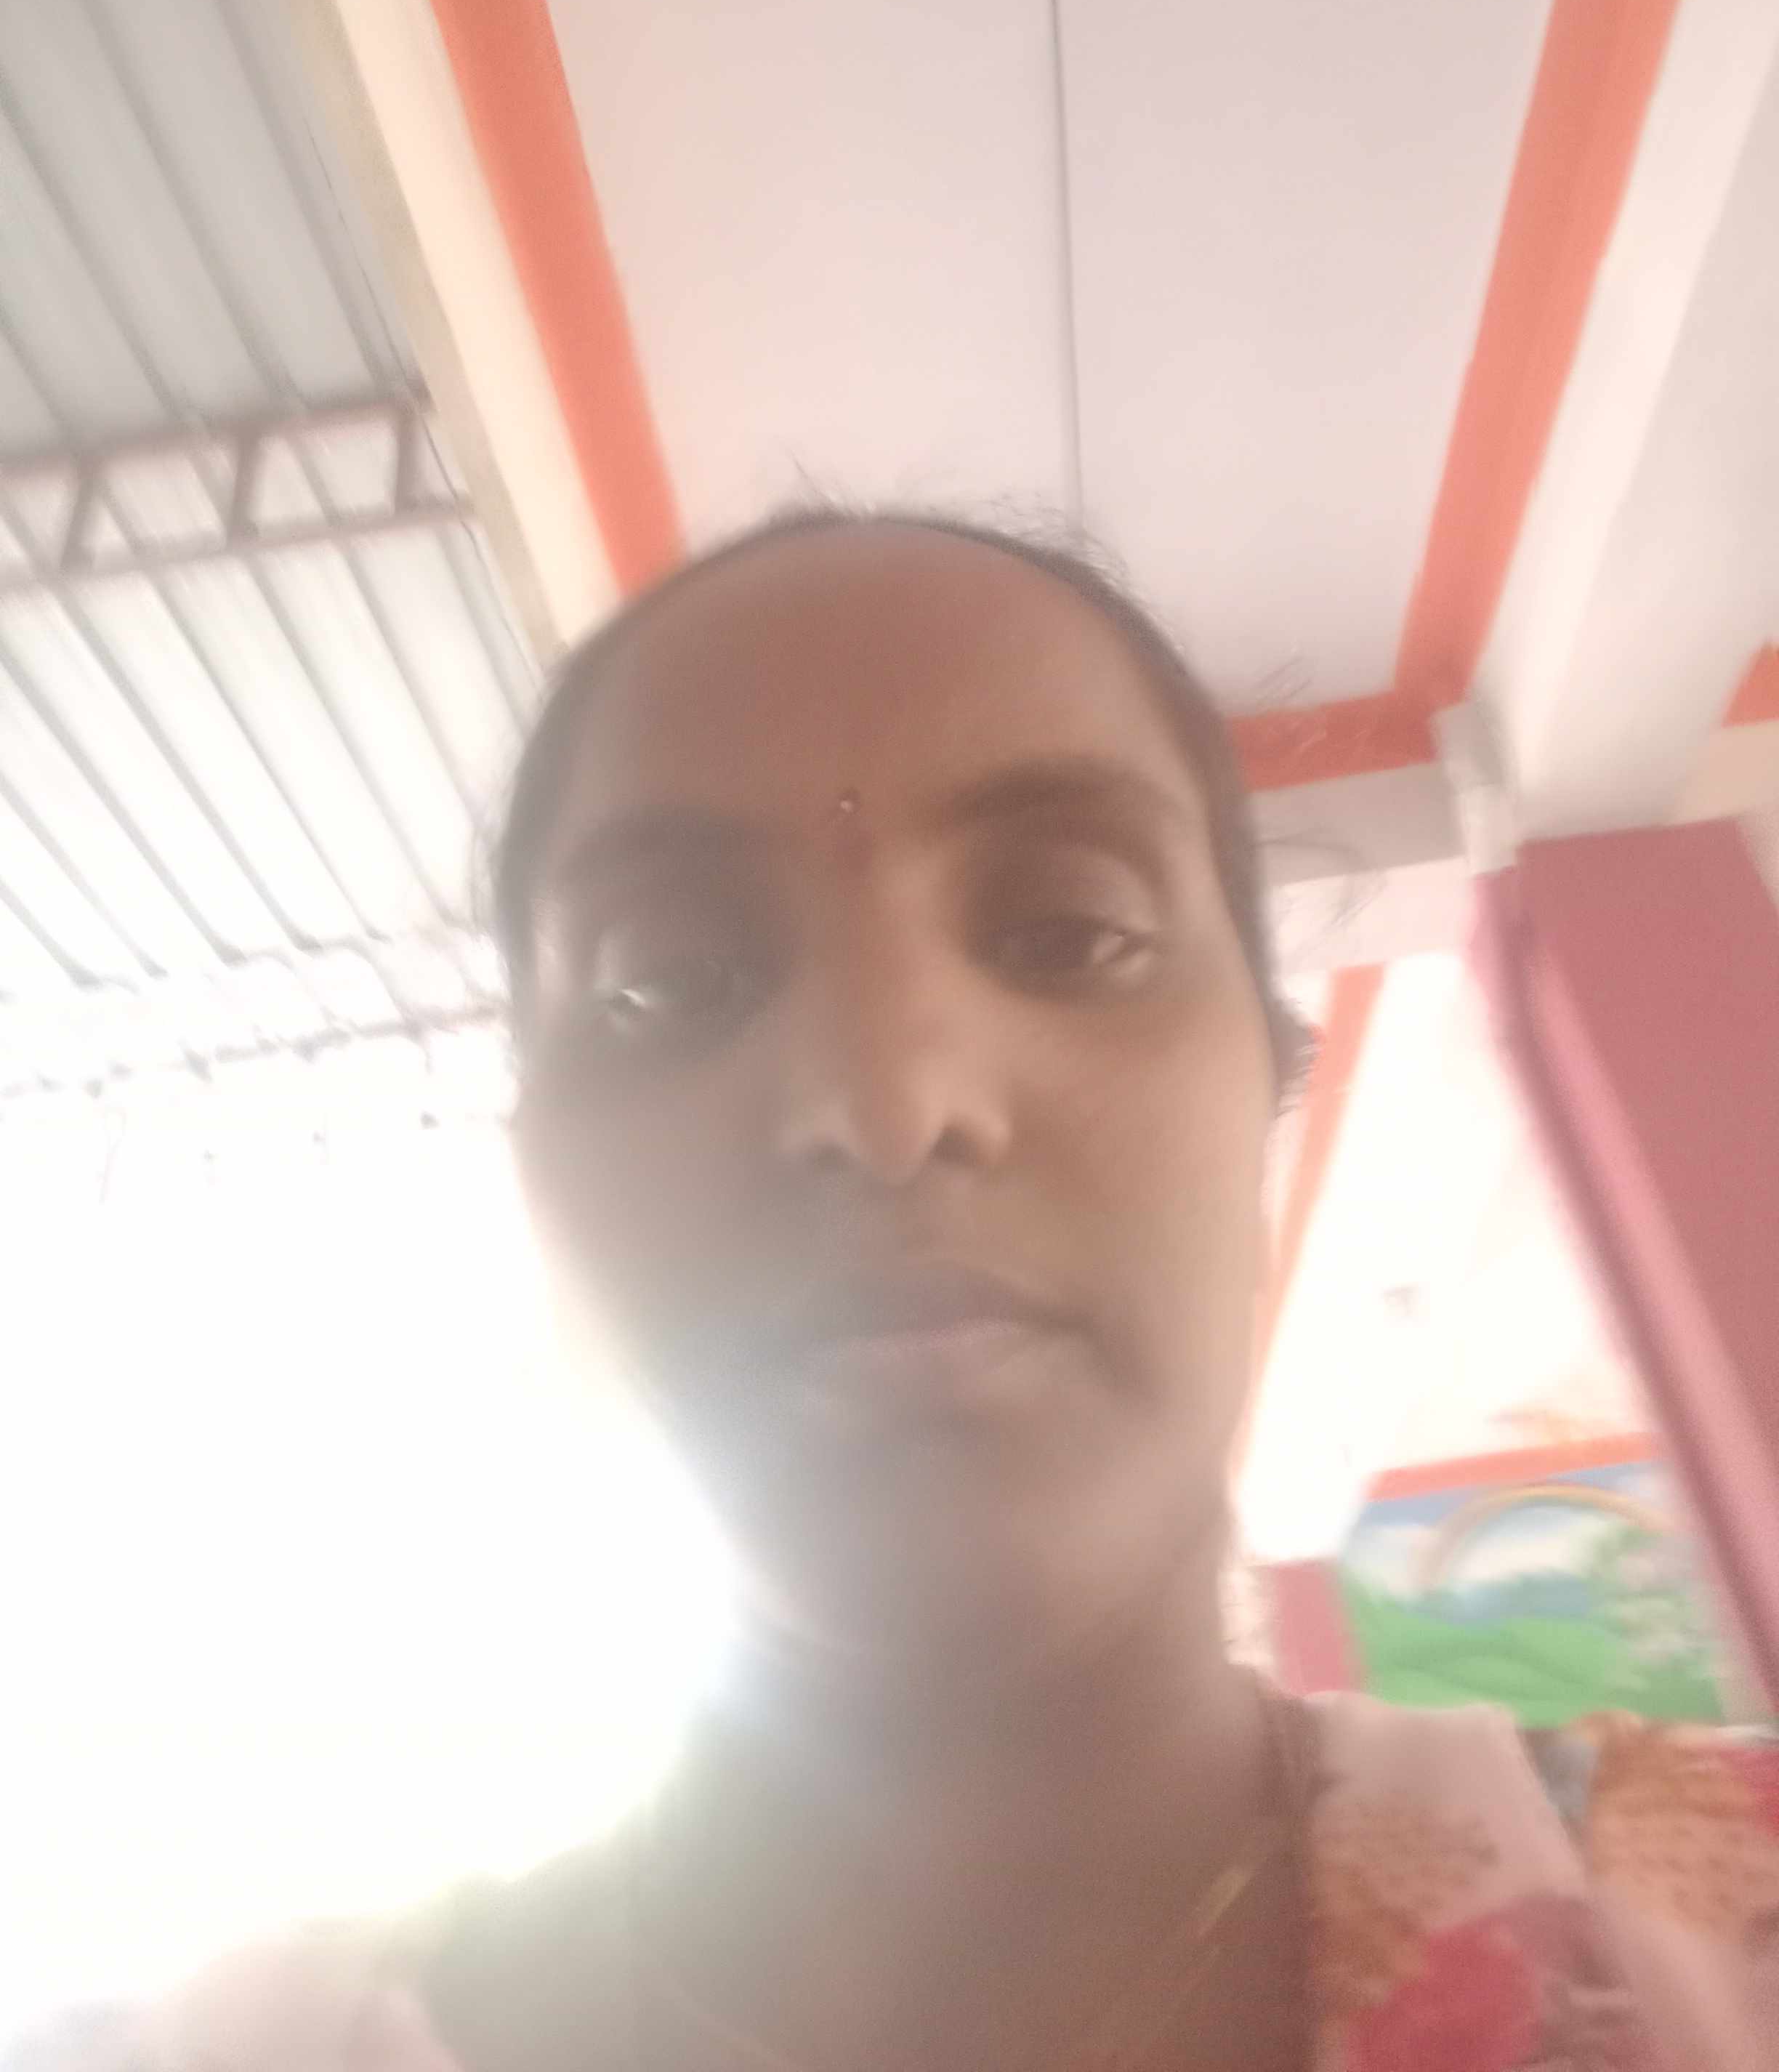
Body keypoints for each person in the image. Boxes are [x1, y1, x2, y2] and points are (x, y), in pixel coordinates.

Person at [73, 514, 1779, 2068]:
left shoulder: (1730, 1931)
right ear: (543, 1186)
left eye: (1072, 931)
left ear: (1263, 1086)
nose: (887, 1105)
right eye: (668, 983)